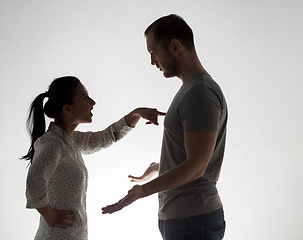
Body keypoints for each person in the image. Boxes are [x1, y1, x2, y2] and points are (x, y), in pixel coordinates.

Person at [102, 14, 228, 240]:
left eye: (153, 53)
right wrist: (159, 167)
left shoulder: (200, 93)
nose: (152, 61)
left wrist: (142, 192)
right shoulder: (191, 90)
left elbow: (197, 166)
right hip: (185, 220)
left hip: (193, 221)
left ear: (174, 46)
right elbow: (193, 157)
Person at [22, 76, 165, 240]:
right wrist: (49, 215)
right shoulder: (52, 144)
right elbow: (34, 183)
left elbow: (105, 138)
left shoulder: (70, 140)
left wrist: (136, 113)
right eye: (85, 98)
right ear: (67, 109)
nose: (93, 102)